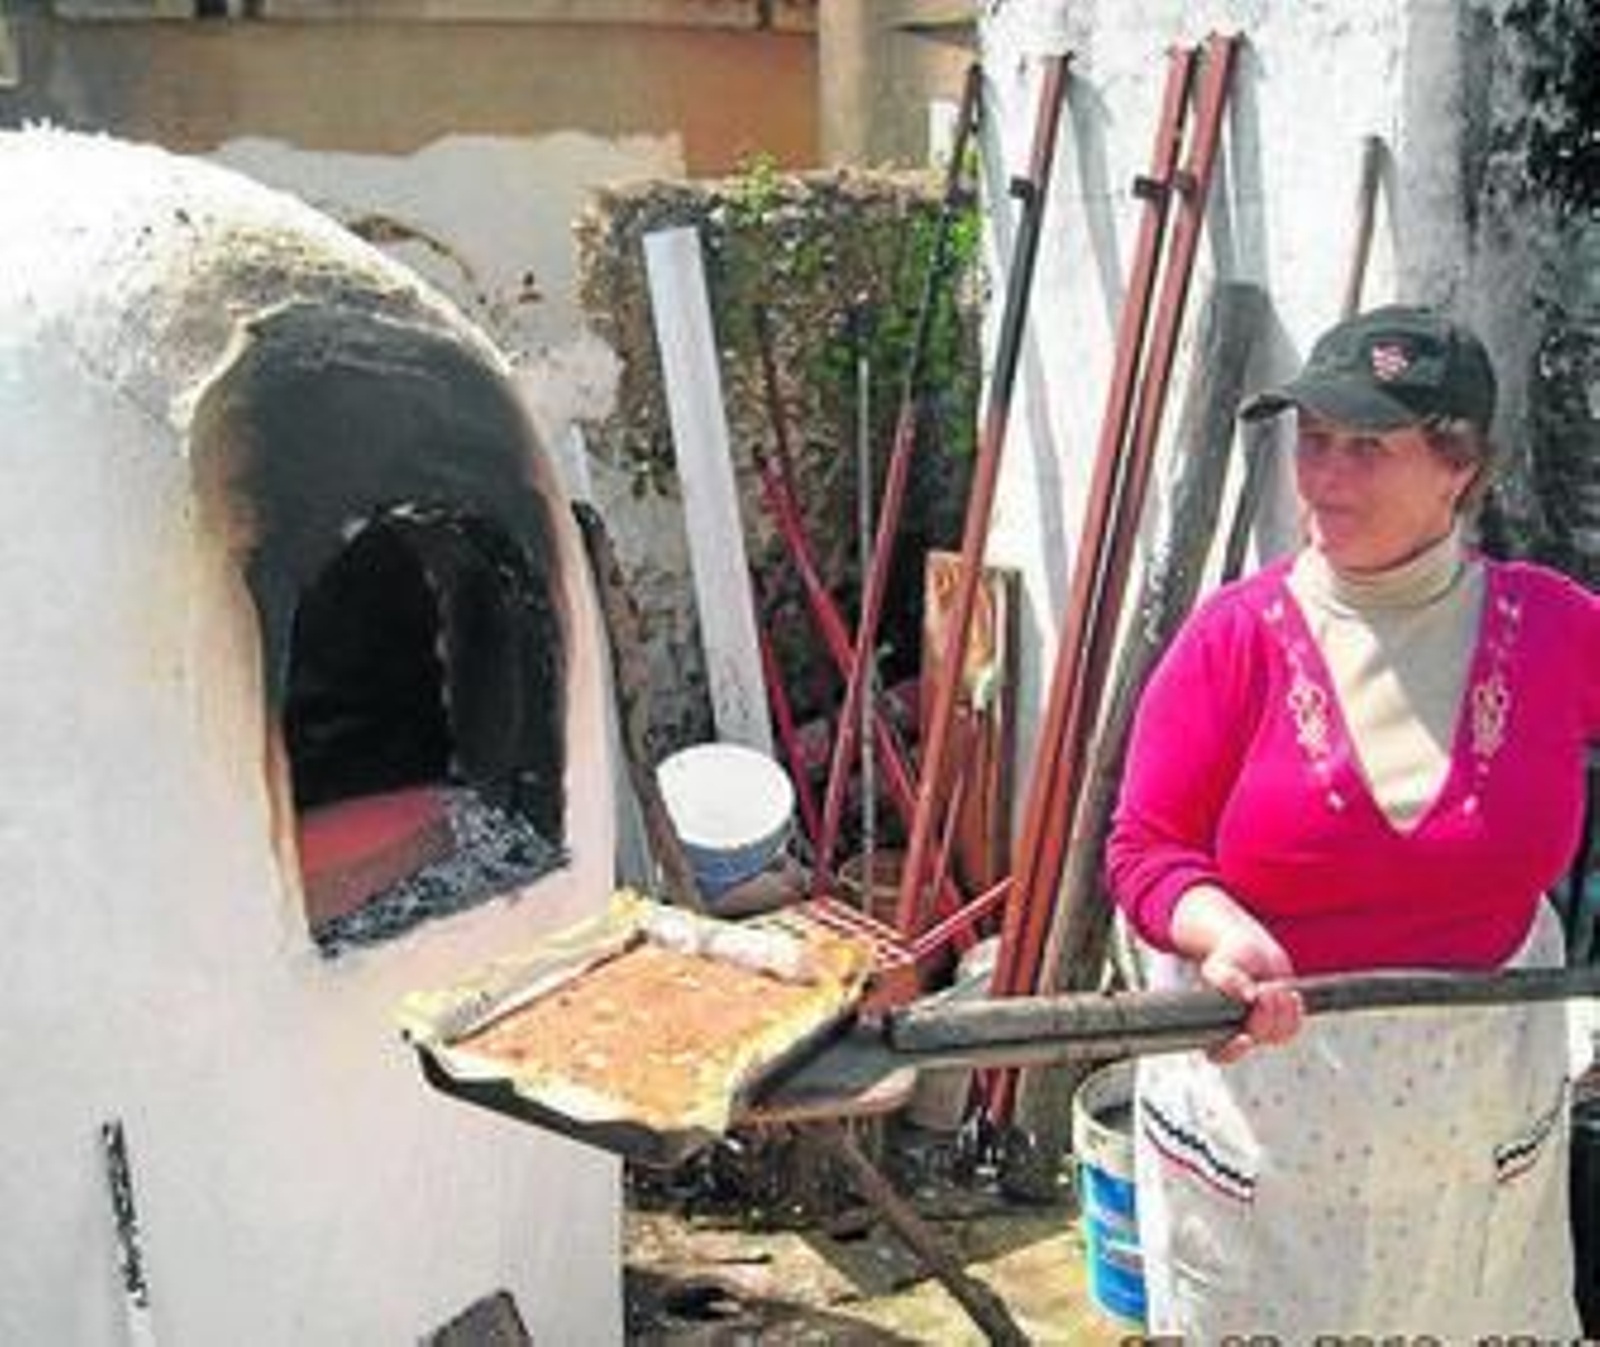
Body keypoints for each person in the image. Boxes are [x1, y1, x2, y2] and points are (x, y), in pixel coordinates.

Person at [1106, 303, 1600, 1336]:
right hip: (1274, 1105)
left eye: (1366, 447)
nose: (1324, 477)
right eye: (1313, 441)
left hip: (1472, 1110)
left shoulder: (1554, 628)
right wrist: (1219, 928)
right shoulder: (1231, 639)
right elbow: (1146, 851)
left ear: (1458, 465)